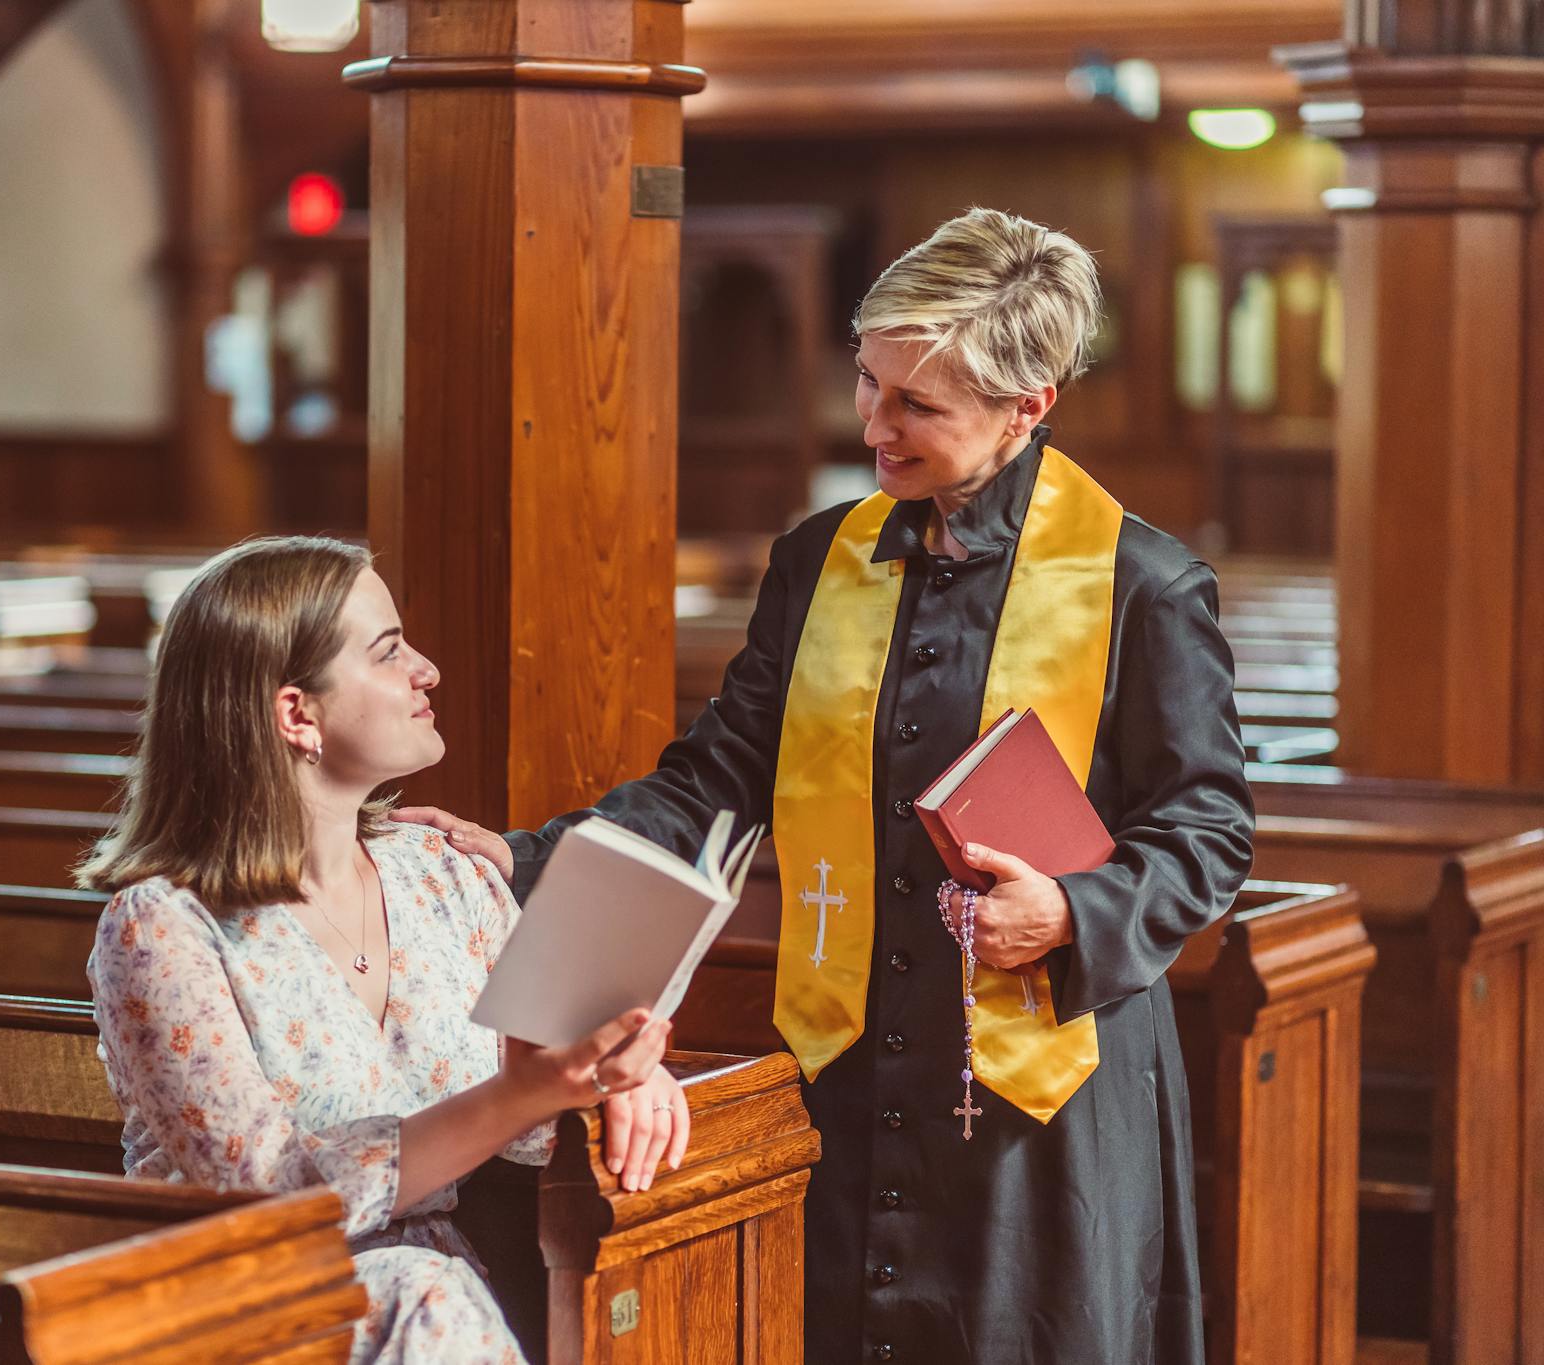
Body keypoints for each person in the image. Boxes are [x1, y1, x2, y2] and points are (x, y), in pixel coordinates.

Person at [404, 208, 1255, 1363]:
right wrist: (520, 854)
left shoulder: (1143, 584)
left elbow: (1204, 830)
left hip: (1042, 1091)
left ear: (1027, 408)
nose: (872, 422)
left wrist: (1067, 912)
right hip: (850, 1064)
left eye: (916, 405)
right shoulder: (820, 558)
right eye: (867, 382)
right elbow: (718, 779)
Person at [79, 535, 689, 1365]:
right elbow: (266, 1195)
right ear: (297, 714)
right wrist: (521, 1093)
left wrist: (623, 1074)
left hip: (443, 1301)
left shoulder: (441, 874)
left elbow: (547, 1094)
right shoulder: (161, 927)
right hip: (249, 1314)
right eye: (390, 650)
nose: (427, 669)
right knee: (423, 1296)